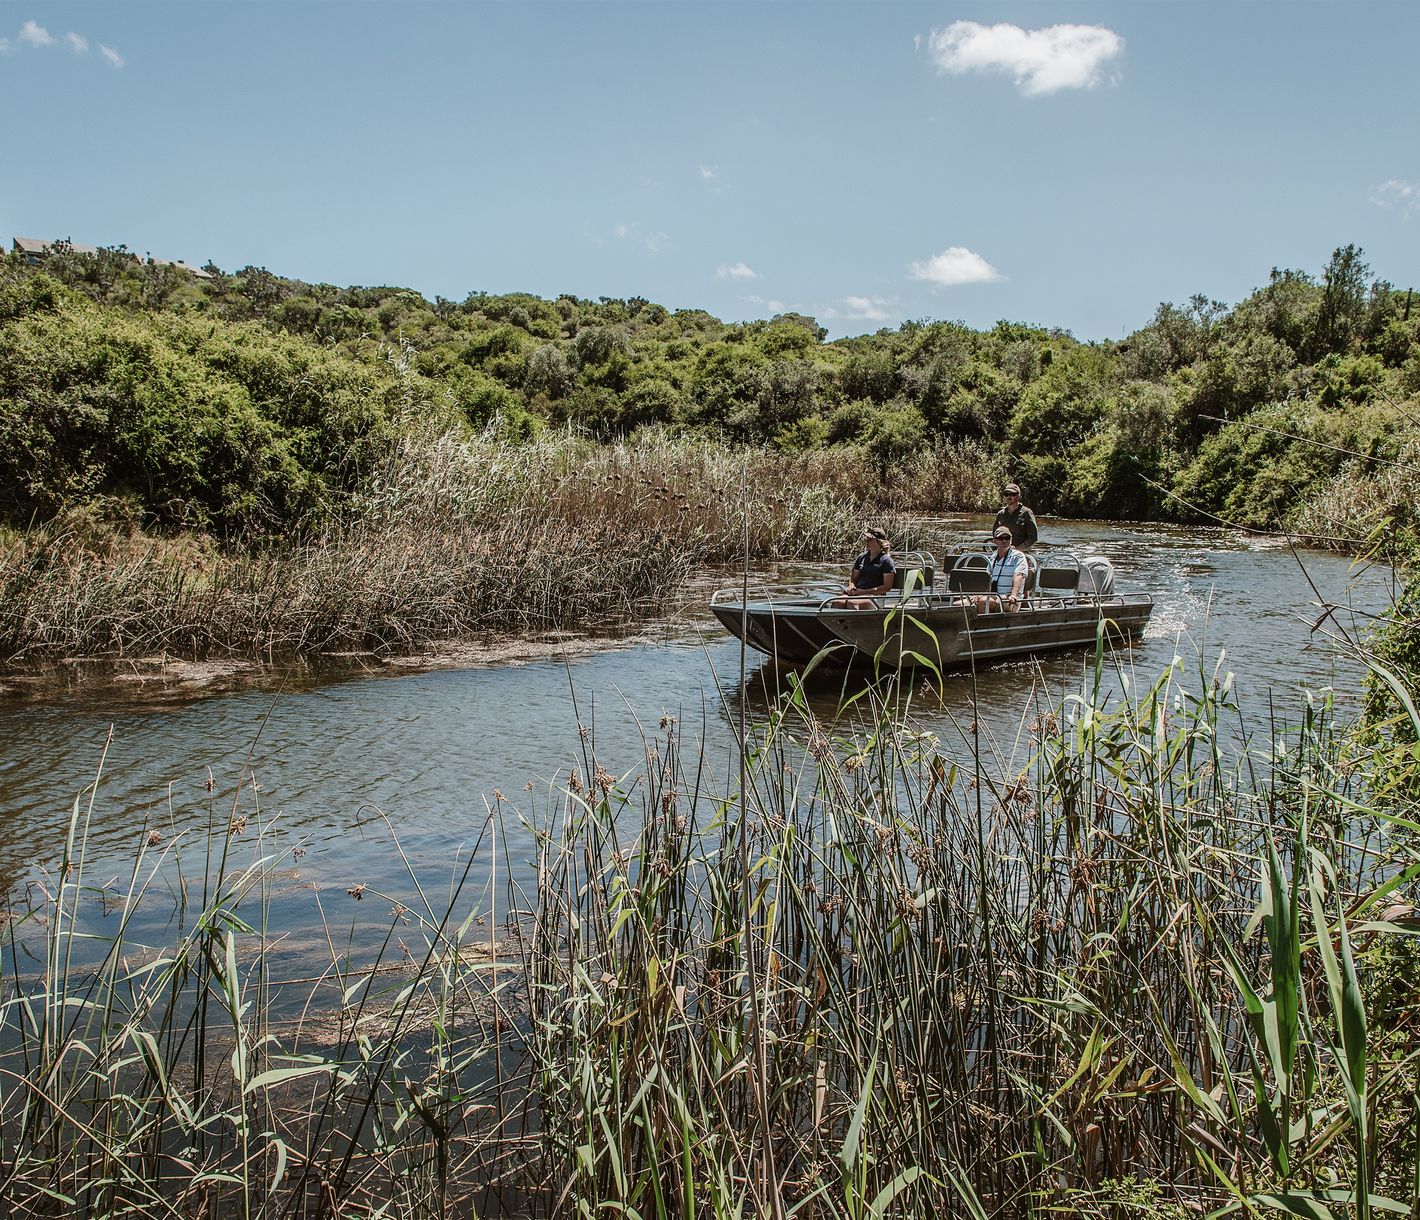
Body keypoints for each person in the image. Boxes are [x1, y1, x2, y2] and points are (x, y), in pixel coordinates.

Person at [837, 525, 896, 609]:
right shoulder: (861, 557)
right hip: (858, 593)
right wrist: (851, 586)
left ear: (878, 542)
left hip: (876, 596)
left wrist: (864, 592)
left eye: (870, 540)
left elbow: (887, 587)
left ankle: (857, 621)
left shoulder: (886, 561)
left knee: (852, 603)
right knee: (837, 602)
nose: (867, 542)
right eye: (867, 539)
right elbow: (853, 579)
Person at [973, 525, 1028, 613]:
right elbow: (987, 579)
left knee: (984, 602)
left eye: (1007, 538)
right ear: (994, 541)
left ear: (1011, 539)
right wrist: (979, 594)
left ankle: (982, 626)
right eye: (1001, 538)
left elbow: (1019, 575)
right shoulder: (993, 557)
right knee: (960, 604)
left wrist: (1013, 595)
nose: (1004, 541)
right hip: (992, 596)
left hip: (1009, 599)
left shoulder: (1018, 556)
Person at [994, 483, 1038, 553]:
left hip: (1021, 555)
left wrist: (1016, 550)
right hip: (1003, 554)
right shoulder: (1000, 514)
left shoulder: (1026, 513)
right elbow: (995, 535)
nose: (1009, 496)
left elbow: (1033, 538)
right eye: (1006, 494)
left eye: (1012, 494)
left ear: (1018, 496)